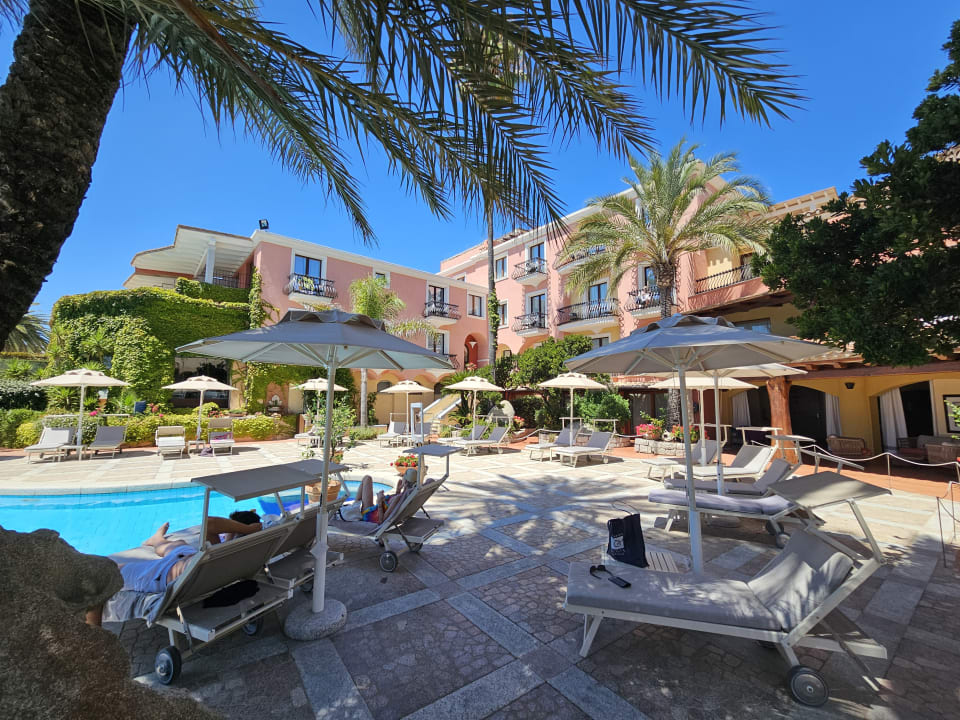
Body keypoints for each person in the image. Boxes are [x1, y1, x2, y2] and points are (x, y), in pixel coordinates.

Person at [85, 517, 264, 626]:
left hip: (164, 574)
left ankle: (93, 639)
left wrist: (250, 529)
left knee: (99, 573)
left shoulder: (229, 551)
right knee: (177, 545)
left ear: (236, 532)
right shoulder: (238, 557)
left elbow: (210, 523)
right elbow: (212, 527)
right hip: (188, 560)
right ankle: (156, 539)